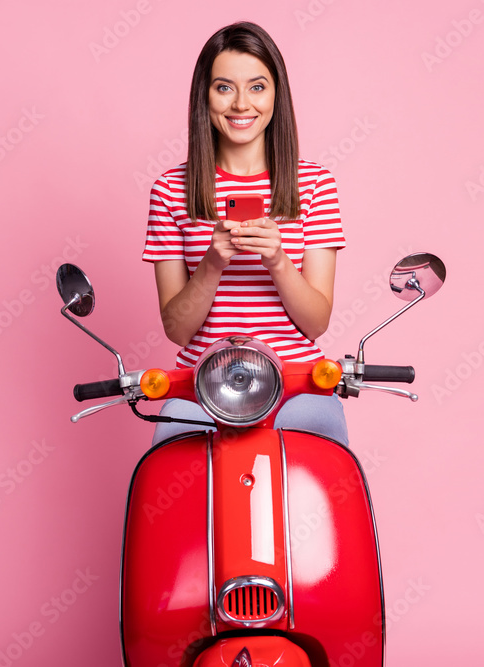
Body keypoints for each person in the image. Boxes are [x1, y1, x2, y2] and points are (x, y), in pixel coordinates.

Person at [141, 21, 348, 445]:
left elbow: (316, 323)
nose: (240, 104)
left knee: (325, 459)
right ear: (205, 96)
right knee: (168, 460)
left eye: (257, 87)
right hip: (200, 386)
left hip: (296, 384)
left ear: (276, 95)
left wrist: (278, 262)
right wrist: (212, 264)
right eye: (224, 88)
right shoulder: (170, 189)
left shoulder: (314, 184)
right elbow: (178, 331)